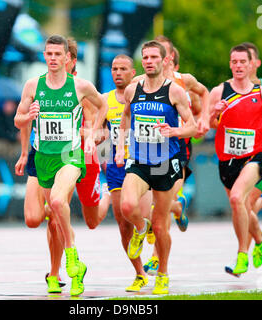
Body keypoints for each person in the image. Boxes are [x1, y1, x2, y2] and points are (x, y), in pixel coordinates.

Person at [14, 35, 107, 296]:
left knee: (56, 203)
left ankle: (71, 254)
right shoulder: (33, 85)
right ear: (44, 56)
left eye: (58, 54)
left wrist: (91, 136)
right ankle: (73, 268)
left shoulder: (80, 86)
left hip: (70, 156)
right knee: (42, 216)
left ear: (67, 58)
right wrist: (27, 118)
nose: (53, 58)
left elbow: (103, 106)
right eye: (49, 54)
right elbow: (18, 120)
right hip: (43, 157)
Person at [115, 40, 197, 294]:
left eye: (153, 57)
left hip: (165, 164)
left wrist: (175, 131)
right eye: (145, 57)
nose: (149, 61)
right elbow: (126, 119)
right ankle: (141, 228)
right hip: (139, 160)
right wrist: (119, 148)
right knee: (127, 205)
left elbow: (192, 126)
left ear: (164, 61)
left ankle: (162, 273)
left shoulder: (175, 91)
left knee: (161, 225)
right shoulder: (132, 89)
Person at [208, 44, 262, 276]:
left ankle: (242, 255)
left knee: (239, 198)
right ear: (230, 64)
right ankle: (260, 239)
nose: (238, 66)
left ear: (252, 64)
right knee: (240, 207)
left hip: (253, 157)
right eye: (234, 62)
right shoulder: (218, 91)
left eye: (243, 62)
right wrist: (214, 113)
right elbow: (210, 125)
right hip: (227, 159)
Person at [140, 36, 210, 276]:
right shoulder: (144, 83)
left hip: (179, 149)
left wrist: (203, 118)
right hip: (149, 151)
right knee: (157, 203)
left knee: (161, 202)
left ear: (168, 57)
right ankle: (178, 208)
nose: (153, 58)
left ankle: (156, 258)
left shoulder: (184, 81)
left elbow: (204, 94)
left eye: (159, 54)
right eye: (148, 55)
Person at [102, 54, 153, 292]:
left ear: (133, 73)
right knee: (123, 223)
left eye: (123, 68)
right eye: (114, 68)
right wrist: (97, 144)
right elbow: (96, 128)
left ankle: (160, 267)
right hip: (115, 166)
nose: (117, 73)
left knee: (145, 216)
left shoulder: (143, 95)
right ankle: (140, 273)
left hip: (142, 163)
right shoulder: (104, 100)